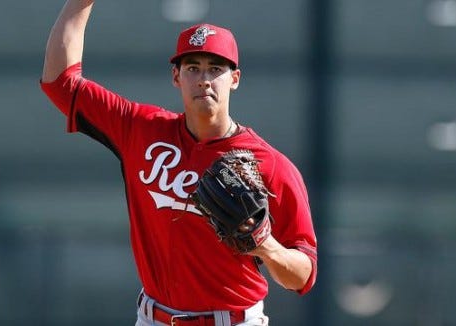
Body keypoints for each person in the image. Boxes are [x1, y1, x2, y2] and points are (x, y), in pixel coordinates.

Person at [40, 1, 317, 325]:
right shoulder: (141, 131)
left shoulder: (269, 165)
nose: (204, 79)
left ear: (235, 78)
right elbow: (60, 82)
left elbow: (304, 275)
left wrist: (267, 245)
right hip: (153, 318)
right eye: (193, 67)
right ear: (176, 76)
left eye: (216, 69)